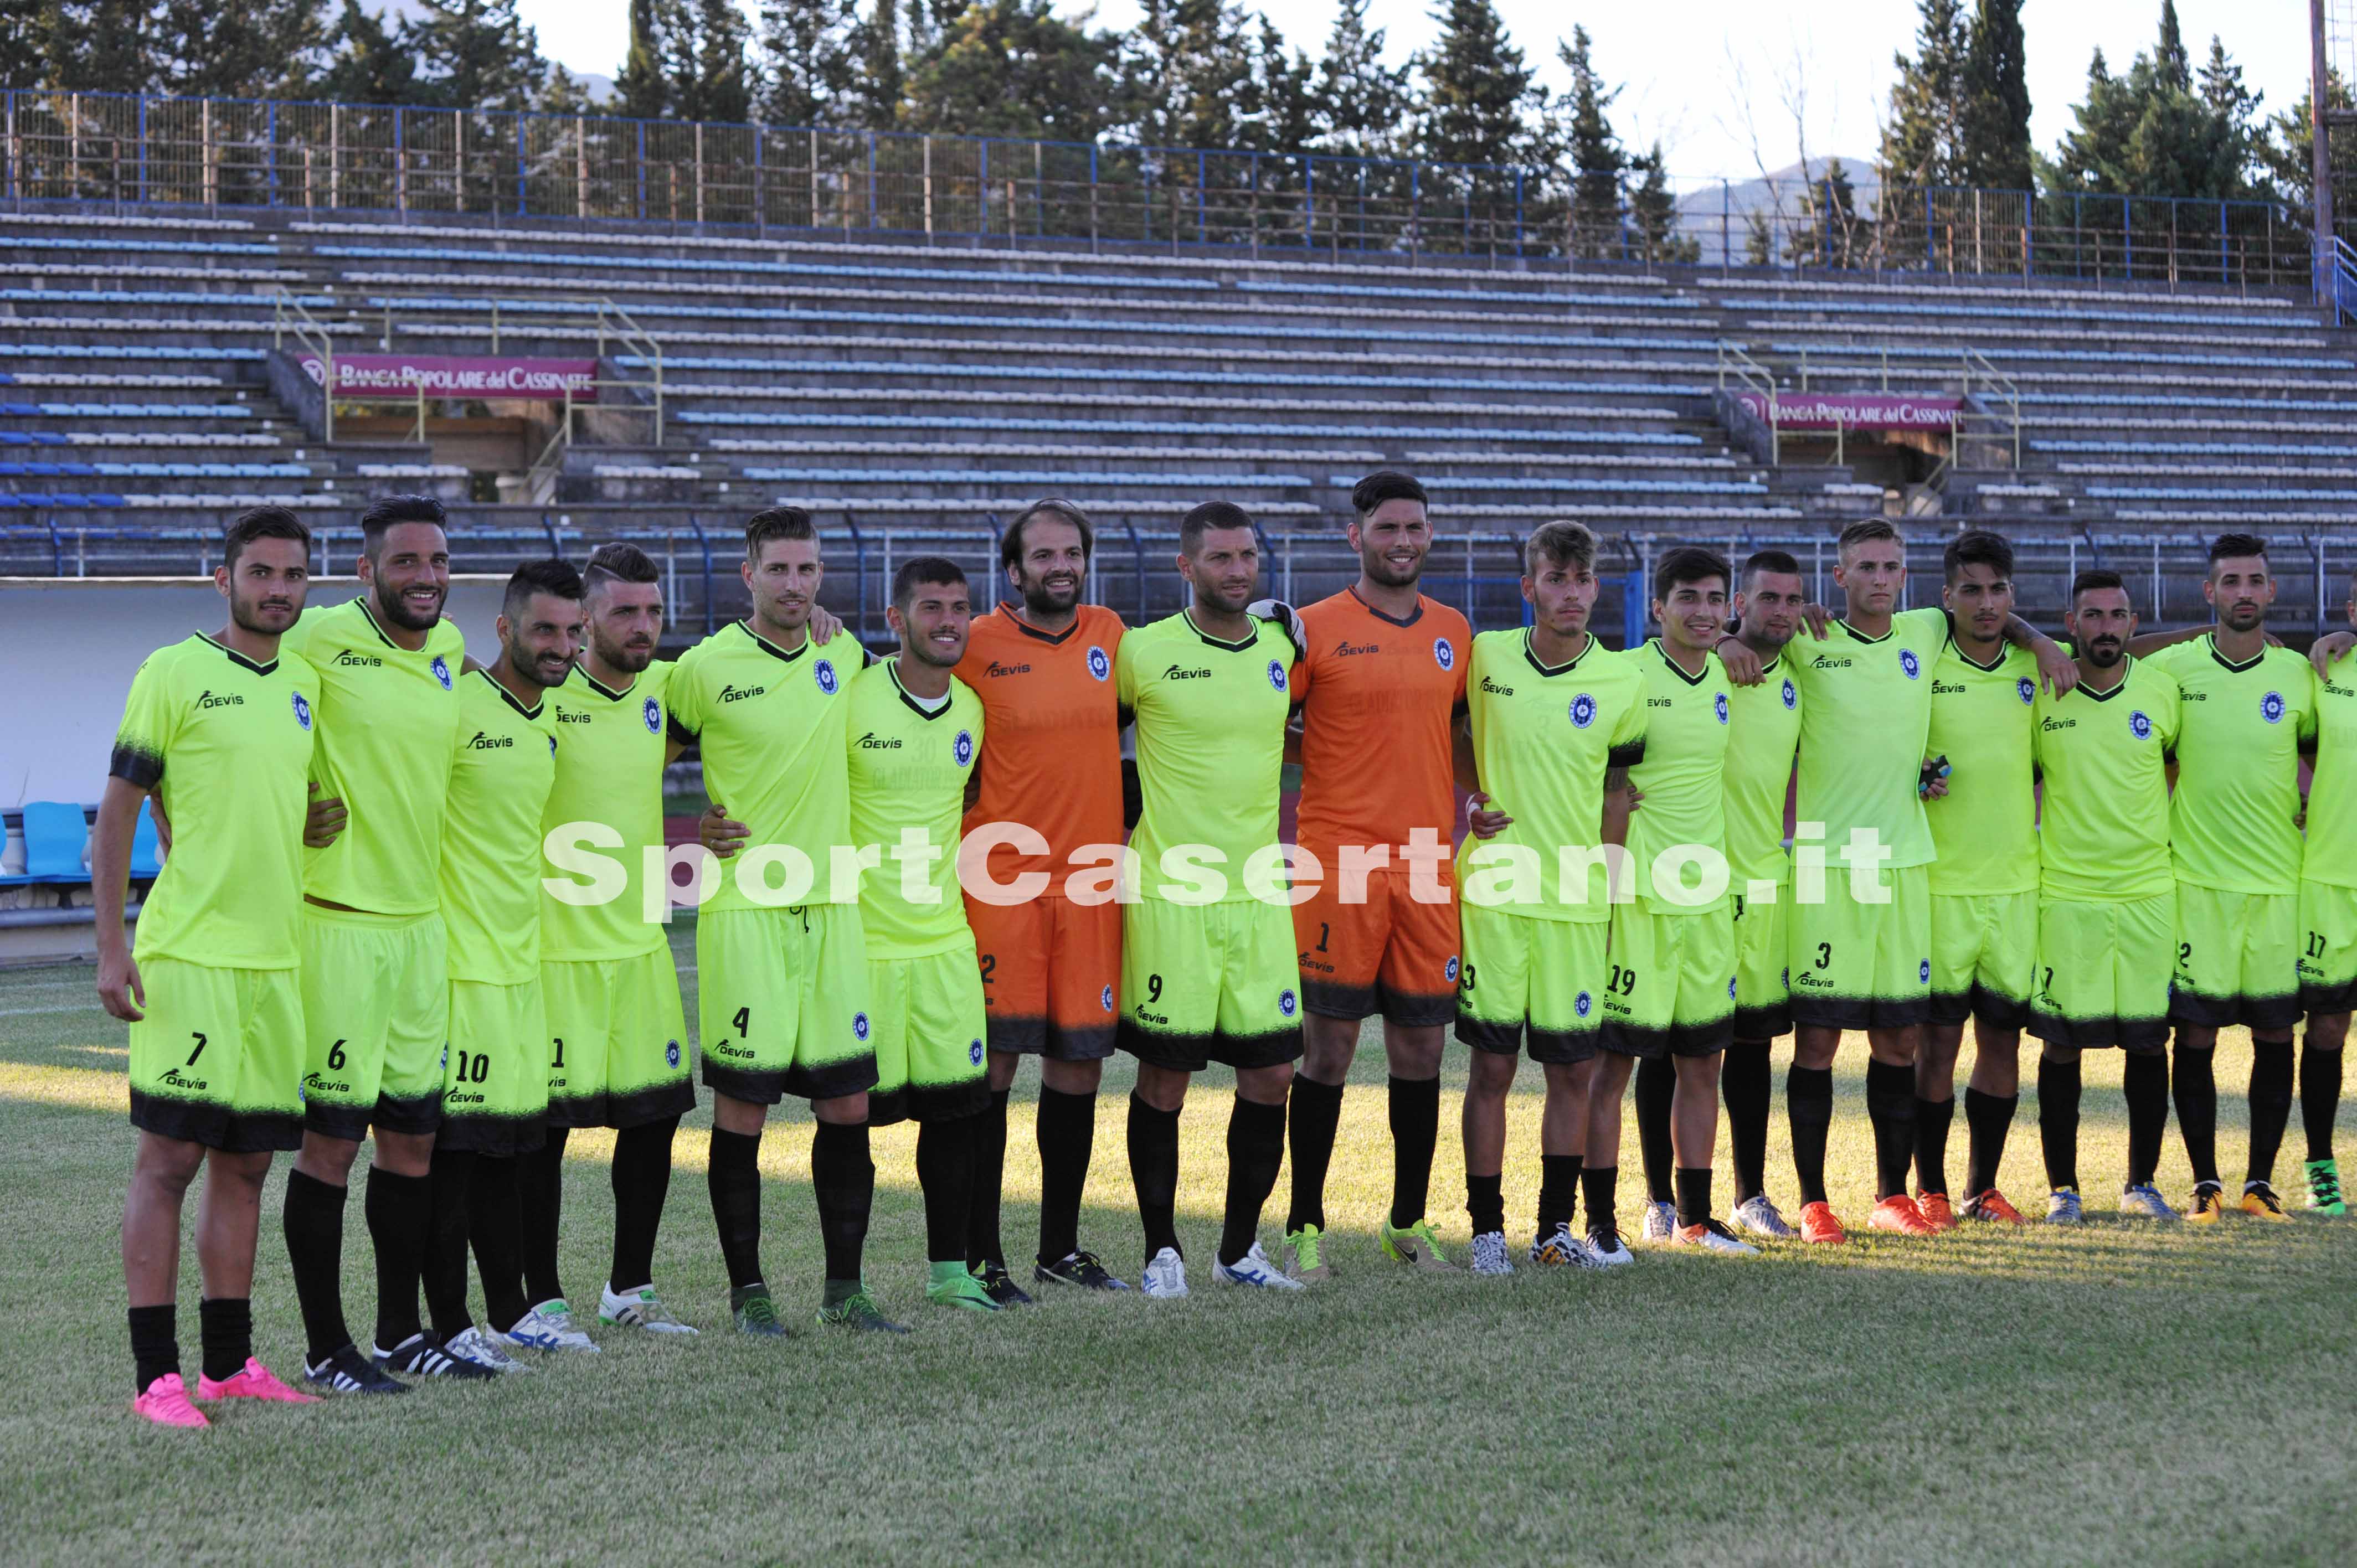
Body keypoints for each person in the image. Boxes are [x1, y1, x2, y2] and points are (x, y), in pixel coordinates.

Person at [1754, 518, 2070, 1241]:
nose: (1877, 578)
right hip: (1834, 866)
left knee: (1899, 1042)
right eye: (1864, 566)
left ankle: (1892, 1194)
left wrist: (2043, 639)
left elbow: (1992, 612)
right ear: (1839, 577)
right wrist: (1745, 637)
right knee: (1818, 1042)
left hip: (1905, 864)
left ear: (1906, 576)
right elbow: (1753, 638)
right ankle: (1813, 1201)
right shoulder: (1809, 639)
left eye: (1890, 566)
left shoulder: (1927, 629)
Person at [97, 507, 332, 1426]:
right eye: (262, 573)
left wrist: (318, 819)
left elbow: (301, 802)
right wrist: (114, 945)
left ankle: (230, 1364)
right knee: (170, 1159)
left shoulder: (306, 681)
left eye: (293, 576)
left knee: (247, 1166)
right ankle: (158, 1377)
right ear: (224, 577)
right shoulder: (174, 671)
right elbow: (119, 810)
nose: (278, 590)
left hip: (277, 963)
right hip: (189, 955)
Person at [671, 508, 900, 1332]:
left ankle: (846, 1292)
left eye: (809, 572)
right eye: (780, 571)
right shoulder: (701, 668)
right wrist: (693, 825)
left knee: (846, 1106)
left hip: (834, 909)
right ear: (748, 575)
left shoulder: (845, 652)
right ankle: (749, 1295)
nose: (797, 586)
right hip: (746, 916)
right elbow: (640, 754)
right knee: (744, 1110)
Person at [279, 494, 471, 1390]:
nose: (425, 577)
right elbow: (235, 710)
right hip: (342, 929)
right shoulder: (316, 636)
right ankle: (327, 1349)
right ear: (366, 572)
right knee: (332, 1146)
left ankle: (401, 1333)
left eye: (437, 561)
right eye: (406, 563)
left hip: (421, 934)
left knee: (412, 1142)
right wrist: (293, 805)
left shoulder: (447, 647)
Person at [1280, 471, 1471, 1282]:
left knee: (1421, 1054)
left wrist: (1482, 799)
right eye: (1386, 528)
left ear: (1430, 536)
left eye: (1415, 528)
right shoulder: (1311, 629)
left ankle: (1406, 1221)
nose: (1402, 542)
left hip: (1428, 865)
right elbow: (1265, 729)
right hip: (1340, 863)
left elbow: (1460, 733)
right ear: (1355, 537)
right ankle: (1303, 1226)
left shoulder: (1457, 632)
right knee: (1327, 1051)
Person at [1115, 501, 1306, 1296]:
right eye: (1220, 558)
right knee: (1166, 1079)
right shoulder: (1143, 652)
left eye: (1247, 557)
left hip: (1260, 897)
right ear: (1185, 567)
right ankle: (1163, 1252)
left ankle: (1238, 1250)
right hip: (1172, 897)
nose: (1237, 571)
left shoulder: (1280, 643)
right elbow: (1084, 742)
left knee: (1272, 1075)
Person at [1456, 521, 1648, 1275]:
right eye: (1554, 580)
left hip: (1575, 903)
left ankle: (1552, 1228)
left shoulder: (1622, 685)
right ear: (1528, 587)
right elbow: (1447, 731)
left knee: (1572, 1071)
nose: (1570, 595)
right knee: (1492, 1071)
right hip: (1498, 893)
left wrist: (1607, 889)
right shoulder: (1487, 656)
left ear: (1597, 588)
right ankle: (1485, 1232)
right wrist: (1470, 795)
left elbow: (1615, 796)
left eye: (1581, 582)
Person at [527, 542, 702, 1348]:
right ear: (585, 619)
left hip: (639, 947)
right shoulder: (540, 697)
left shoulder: (666, 691)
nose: (643, 627)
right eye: (625, 612)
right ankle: (542, 1301)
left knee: (654, 1119)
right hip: (554, 952)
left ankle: (628, 1289)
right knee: (544, 1133)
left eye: (654, 612)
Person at [954, 499, 1131, 1297]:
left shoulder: (1114, 637)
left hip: (1092, 884)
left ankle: (1059, 1248)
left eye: (1072, 553)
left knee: (1079, 1068)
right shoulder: (973, 645)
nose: (1061, 565)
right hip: (1003, 889)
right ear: (1015, 570)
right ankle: (979, 1254)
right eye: (1044, 555)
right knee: (993, 1069)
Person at [419, 560, 579, 1374]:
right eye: (544, 629)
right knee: (451, 1155)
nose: (561, 645)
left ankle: (511, 1311)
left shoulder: (549, 722)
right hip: (458, 968)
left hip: (522, 966)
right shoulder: (455, 703)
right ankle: (447, 1326)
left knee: (508, 1152)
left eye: (571, 631)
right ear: (505, 629)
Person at [2143, 535, 2318, 1222]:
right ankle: (2205, 1182)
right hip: (2197, 886)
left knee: (2277, 1036)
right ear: (2208, 594)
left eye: (2254, 581)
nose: (2243, 591)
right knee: (2195, 1038)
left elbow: (2324, 763)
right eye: (2229, 581)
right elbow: (2109, 657)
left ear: (2271, 593)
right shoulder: (2175, 669)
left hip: (2277, 887)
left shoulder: (2300, 674)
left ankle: (2260, 1182)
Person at [845, 558, 999, 1312]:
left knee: (956, 1115)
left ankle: (949, 1273)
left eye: (960, 607)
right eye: (931, 607)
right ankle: (848, 1285)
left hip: (944, 944)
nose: (947, 620)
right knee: (853, 1123)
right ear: (893, 618)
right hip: (864, 947)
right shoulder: (847, 694)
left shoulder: (971, 708)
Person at [1594, 546, 1755, 1255]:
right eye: (1686, 598)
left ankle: (1693, 1216)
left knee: (1701, 1064)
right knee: (1613, 1065)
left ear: (1729, 609)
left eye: (1714, 598)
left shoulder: (1725, 670)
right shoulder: (1625, 675)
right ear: (1656, 608)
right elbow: (1592, 780)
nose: (1701, 611)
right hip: (1637, 903)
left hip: (1707, 902)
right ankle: (1599, 1223)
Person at [2026, 571, 2181, 1223]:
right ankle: (2063, 1190)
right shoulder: (2040, 695)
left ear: (2131, 622)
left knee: (2148, 1044)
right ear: (2070, 623)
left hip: (2147, 895)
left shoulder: (2160, 691)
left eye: (2116, 616)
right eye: (2092, 616)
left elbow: (2170, 765)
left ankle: (2140, 1183)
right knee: (2061, 1046)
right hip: (2066, 895)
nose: (2105, 628)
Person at [1917, 532, 2039, 1227]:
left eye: (1997, 591)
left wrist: (2044, 642)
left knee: (2001, 1042)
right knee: (1936, 1044)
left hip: (2015, 889)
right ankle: (1928, 1187)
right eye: (1971, 590)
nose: (1985, 603)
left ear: (2011, 597)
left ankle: (1979, 1187)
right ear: (1946, 599)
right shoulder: (1920, 662)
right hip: (1939, 888)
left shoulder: (2034, 664)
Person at [1713, 550, 1808, 1239]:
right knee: (1672, 1046)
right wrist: (1716, 640)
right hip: (1682, 884)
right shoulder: (1693, 663)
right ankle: (1662, 1201)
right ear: (1737, 603)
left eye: (1792, 600)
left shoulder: (1803, 669)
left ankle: (1750, 1194)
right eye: (1766, 598)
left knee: (1752, 1047)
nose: (1779, 611)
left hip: (1762, 882)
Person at [2293, 575, 2356, 1216]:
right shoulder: (2325, 669)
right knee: (2327, 1028)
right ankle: (2320, 1170)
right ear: (2351, 609)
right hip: (2331, 881)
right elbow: (2280, 746)